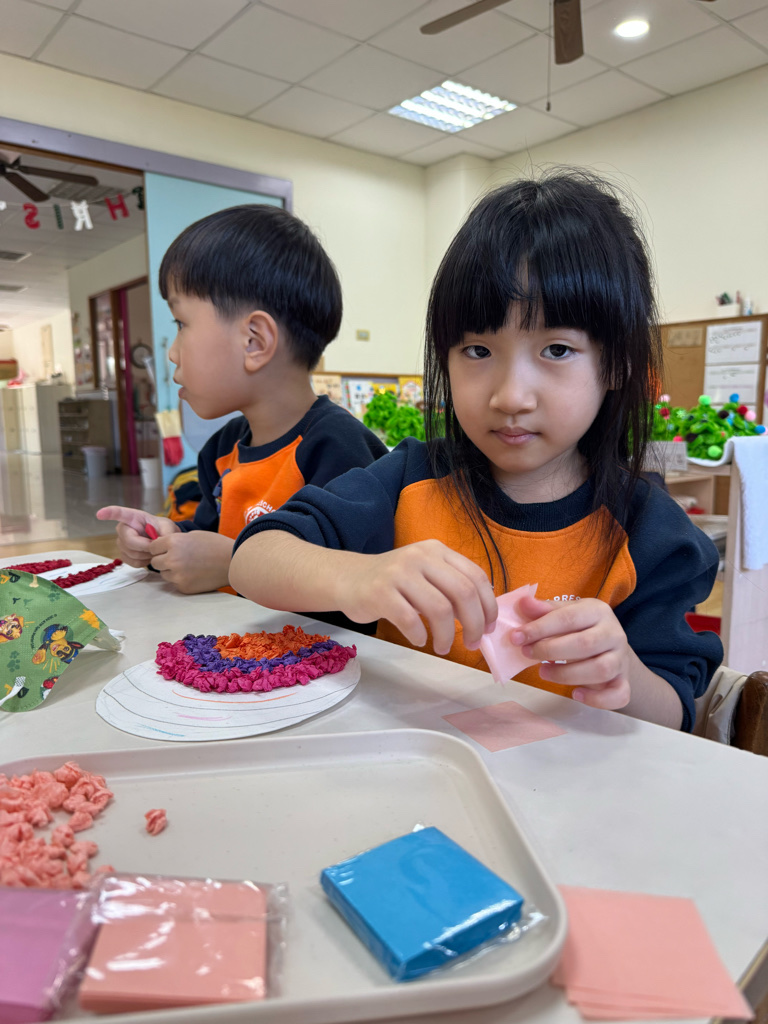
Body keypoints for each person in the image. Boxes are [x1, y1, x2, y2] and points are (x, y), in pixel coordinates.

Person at [229, 171, 723, 732]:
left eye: (557, 349)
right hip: (410, 766)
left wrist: (622, 672)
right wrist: (358, 577)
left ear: (616, 365)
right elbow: (253, 559)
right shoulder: (411, 478)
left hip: (566, 781)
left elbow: (675, 716)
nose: (510, 396)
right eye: (478, 351)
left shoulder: (650, 532)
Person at [98, 205, 387, 593]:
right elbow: (210, 539)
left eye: (181, 324)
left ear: (254, 342)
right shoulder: (222, 450)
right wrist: (167, 539)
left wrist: (234, 562)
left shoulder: (338, 449)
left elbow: (356, 585)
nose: (172, 352)